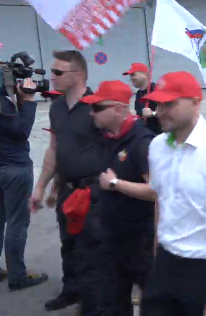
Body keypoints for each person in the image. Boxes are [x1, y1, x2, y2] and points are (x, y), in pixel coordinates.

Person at [140, 71, 206, 316]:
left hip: (203, 269)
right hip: (165, 264)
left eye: (170, 104)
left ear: (196, 102)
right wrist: (158, 255)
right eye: (158, 104)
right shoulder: (158, 147)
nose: (160, 111)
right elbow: (161, 201)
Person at [29, 50, 107, 314]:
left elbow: (114, 147)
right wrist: (43, 186)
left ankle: (93, 302)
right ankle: (71, 290)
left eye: (58, 73)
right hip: (67, 189)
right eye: (53, 72)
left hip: (94, 191)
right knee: (69, 244)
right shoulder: (58, 108)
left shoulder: (98, 106)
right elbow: (54, 149)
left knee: (93, 249)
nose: (52, 77)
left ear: (79, 75)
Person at [79, 80, 156, 316]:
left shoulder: (141, 142)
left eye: (98, 107)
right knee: (111, 301)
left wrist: (115, 184)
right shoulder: (110, 137)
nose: (92, 113)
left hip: (140, 239)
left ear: (118, 109)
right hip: (112, 236)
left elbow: (155, 190)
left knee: (154, 300)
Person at [0, 74, 48, 290]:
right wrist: (27, 102)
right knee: (16, 223)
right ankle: (17, 276)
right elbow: (20, 131)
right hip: (14, 169)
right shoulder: (3, 104)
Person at [124, 63, 162, 135]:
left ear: (144, 75)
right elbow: (141, 113)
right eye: (130, 76)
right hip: (144, 134)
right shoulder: (138, 93)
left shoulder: (156, 90)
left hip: (157, 134)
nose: (131, 78)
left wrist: (153, 113)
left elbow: (167, 112)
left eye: (133, 74)